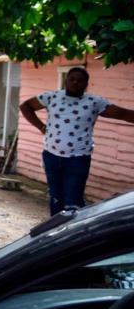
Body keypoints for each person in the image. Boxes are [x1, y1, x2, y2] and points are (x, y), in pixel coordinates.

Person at [19, 67, 134, 215]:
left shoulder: (94, 102)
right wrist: (41, 127)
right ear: (66, 80)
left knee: (73, 202)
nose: (75, 82)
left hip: (78, 159)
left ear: (86, 84)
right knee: (55, 198)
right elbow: (26, 106)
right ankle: (55, 233)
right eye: (72, 79)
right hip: (51, 156)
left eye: (80, 80)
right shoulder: (51, 97)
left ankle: (73, 231)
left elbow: (122, 113)